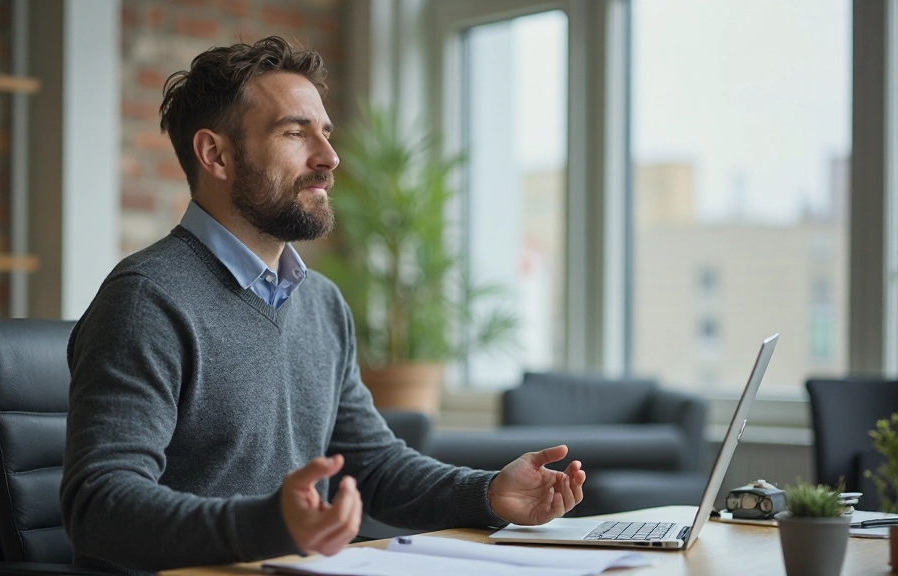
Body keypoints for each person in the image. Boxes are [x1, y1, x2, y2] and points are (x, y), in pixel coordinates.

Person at [60, 36, 587, 575]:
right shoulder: (147, 298)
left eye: (325, 134)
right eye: (295, 132)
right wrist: (270, 525)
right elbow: (100, 505)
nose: (329, 157)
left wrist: (491, 493)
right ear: (215, 154)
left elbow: (374, 467)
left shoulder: (321, 302)